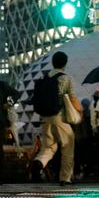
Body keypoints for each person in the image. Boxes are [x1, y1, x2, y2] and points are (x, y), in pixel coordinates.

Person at [31, 52, 79, 186]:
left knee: (48, 147)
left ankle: (38, 163)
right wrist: (79, 111)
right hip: (60, 117)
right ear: (65, 63)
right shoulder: (65, 78)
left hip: (45, 118)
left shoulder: (45, 77)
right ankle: (65, 178)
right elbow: (72, 98)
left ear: (53, 62)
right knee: (68, 146)